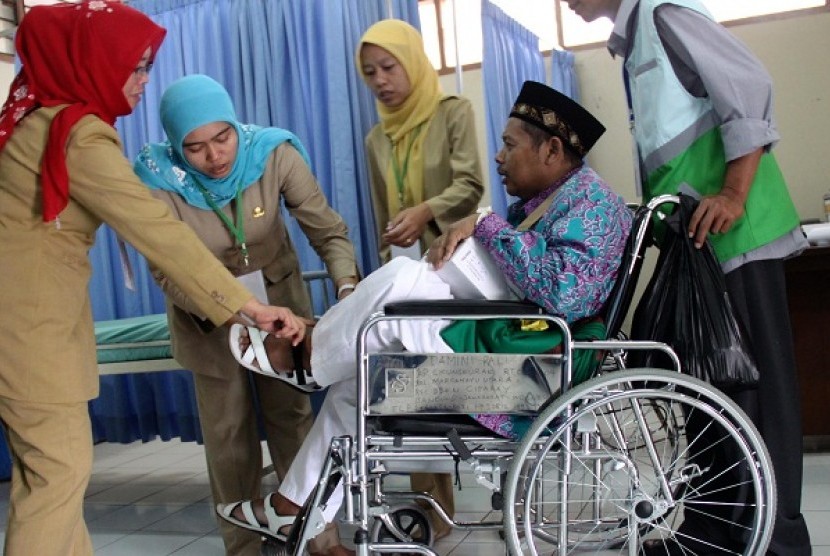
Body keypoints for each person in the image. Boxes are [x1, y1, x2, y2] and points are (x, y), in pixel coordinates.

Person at [216, 81, 633, 551]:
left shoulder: (594, 206)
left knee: (398, 287)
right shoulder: (561, 200)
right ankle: (295, 507)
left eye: (509, 145)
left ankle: (309, 356)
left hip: (531, 373)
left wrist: (485, 224)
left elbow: (567, 294)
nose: (498, 157)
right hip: (512, 346)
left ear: (552, 150)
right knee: (365, 363)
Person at [0, 4, 308, 556]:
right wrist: (248, 307)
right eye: (136, 66)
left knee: (47, 477)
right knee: (57, 475)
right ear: (95, 60)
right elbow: (157, 233)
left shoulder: (34, 117)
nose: (145, 81)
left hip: (24, 327)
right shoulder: (78, 135)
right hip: (31, 331)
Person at [563, 1, 812, 555]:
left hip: (736, 237)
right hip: (696, 244)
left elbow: (749, 85)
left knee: (757, 394)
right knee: (706, 388)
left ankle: (777, 543)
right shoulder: (635, 44)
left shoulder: (664, 12)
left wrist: (733, 194)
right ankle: (714, 533)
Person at [133, 74, 360, 556]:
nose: (215, 157)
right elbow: (169, 271)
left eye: (223, 136)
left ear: (237, 125)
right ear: (176, 146)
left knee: (293, 420)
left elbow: (328, 231)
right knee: (228, 436)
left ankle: (319, 538)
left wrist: (347, 288)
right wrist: (238, 312)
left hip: (283, 312)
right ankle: (243, 548)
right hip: (207, 318)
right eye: (195, 147)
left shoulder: (273, 154)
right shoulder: (157, 180)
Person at [357, 18, 485, 534]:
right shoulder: (375, 138)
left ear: (412, 61)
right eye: (369, 73)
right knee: (405, 385)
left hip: (453, 265)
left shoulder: (452, 113)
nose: (380, 80)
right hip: (406, 272)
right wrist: (385, 253)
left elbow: (472, 184)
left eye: (388, 67)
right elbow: (379, 209)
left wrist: (424, 212)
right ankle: (429, 514)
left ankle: (453, 497)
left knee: (443, 383)